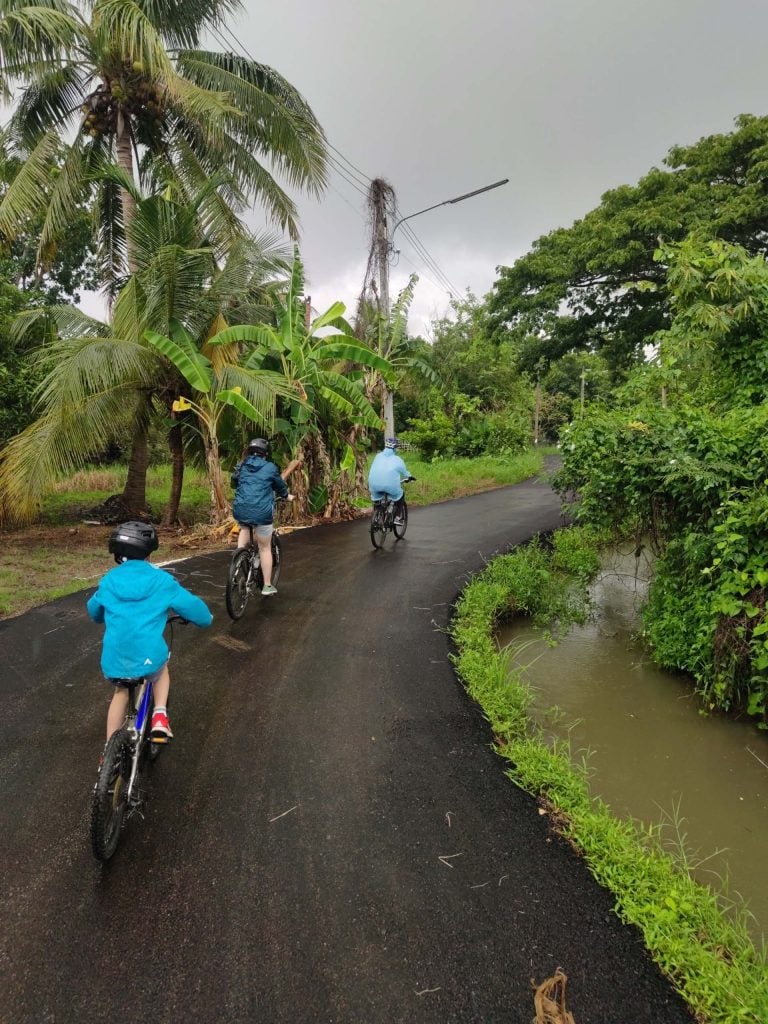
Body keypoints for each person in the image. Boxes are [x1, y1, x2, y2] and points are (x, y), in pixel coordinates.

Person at [87, 521, 213, 742]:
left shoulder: (109, 581)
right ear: (149, 551)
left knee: (121, 692)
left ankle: (108, 751)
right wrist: (206, 619)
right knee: (161, 669)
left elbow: (94, 611)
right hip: (148, 657)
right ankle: (160, 716)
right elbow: (196, 610)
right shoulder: (162, 581)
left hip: (115, 659)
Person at [231, 438, 294, 596]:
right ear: (265, 454)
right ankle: (267, 585)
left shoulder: (242, 465)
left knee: (244, 526)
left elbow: (234, 482)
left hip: (241, 509)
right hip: (261, 512)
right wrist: (287, 496)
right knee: (265, 548)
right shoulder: (270, 467)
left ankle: (239, 557)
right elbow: (280, 487)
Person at [367, 436, 412, 524]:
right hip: (390, 486)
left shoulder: (377, 456)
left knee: (377, 500)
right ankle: (398, 518)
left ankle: (376, 517)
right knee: (401, 494)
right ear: (395, 448)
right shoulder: (397, 459)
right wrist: (410, 476)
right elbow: (405, 473)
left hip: (373, 484)